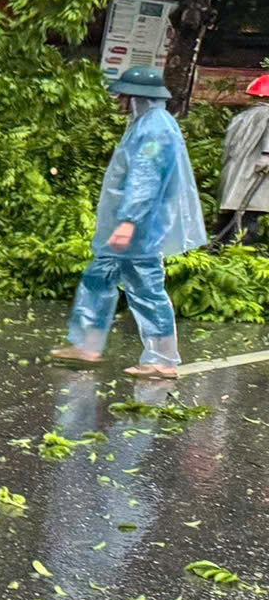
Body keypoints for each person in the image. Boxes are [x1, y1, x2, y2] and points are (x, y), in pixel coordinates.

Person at [53, 64, 206, 379]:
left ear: (138, 97)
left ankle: (162, 360)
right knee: (99, 279)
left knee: (146, 289)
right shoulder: (144, 123)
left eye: (123, 94)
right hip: (127, 226)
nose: (118, 99)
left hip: (140, 229)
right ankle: (86, 345)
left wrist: (128, 223)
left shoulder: (155, 129)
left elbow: (145, 179)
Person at [219, 73, 269, 243]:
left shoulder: (240, 117)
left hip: (233, 176)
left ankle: (218, 250)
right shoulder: (267, 115)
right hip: (254, 176)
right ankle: (237, 253)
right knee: (248, 219)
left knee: (232, 216)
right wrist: (266, 156)